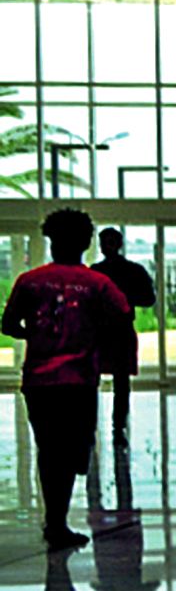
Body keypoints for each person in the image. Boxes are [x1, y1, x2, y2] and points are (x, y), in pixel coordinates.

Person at [1, 207, 130, 550]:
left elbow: (9, 325)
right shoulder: (98, 284)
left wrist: (38, 335)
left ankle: (54, 522)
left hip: (39, 381)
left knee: (49, 449)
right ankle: (58, 518)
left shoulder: (29, 282)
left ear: (51, 240)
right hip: (79, 381)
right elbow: (122, 317)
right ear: (87, 241)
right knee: (75, 450)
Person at [90, 227, 156, 442]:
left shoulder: (97, 272)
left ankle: (104, 427)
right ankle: (115, 427)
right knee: (118, 382)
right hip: (113, 330)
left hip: (107, 331)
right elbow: (148, 298)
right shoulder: (132, 271)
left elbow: (148, 298)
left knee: (102, 380)